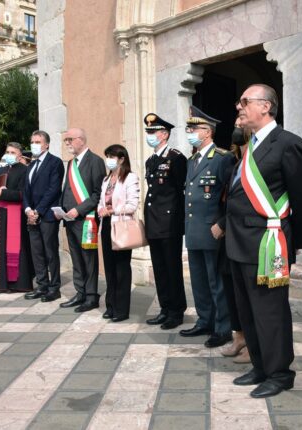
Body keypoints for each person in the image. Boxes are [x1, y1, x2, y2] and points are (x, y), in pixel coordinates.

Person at [227, 83, 302, 399]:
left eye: (244, 101)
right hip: (239, 243)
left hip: (268, 244)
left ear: (266, 106)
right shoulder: (250, 146)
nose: (239, 106)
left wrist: (293, 243)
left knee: (270, 311)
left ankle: (280, 373)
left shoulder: (288, 143)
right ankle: (261, 365)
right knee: (248, 310)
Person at [179, 106, 236, 348]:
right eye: (189, 128)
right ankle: (205, 321)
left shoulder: (223, 159)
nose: (190, 132)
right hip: (193, 230)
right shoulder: (192, 160)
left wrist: (222, 224)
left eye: (194, 129)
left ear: (208, 132)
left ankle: (223, 328)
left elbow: (232, 195)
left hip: (213, 231)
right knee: (199, 281)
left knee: (216, 282)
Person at [143, 113, 188, 330]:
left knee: (172, 268)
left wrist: (178, 221)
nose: (149, 135)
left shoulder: (176, 158)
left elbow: (180, 193)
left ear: (164, 134)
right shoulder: (151, 160)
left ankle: (176, 311)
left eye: (153, 132)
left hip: (169, 223)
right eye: (148, 132)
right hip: (154, 223)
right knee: (160, 268)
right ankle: (165, 308)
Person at [58, 128, 106, 312]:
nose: (67, 143)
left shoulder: (96, 161)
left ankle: (92, 296)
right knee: (76, 258)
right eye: (65, 140)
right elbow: (67, 189)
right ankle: (81, 292)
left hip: (87, 220)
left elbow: (97, 194)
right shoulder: (71, 163)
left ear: (81, 139)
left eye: (69, 139)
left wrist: (78, 210)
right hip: (70, 219)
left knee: (88, 258)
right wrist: (61, 209)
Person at [97, 144, 139, 322]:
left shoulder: (130, 178)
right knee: (109, 267)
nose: (109, 160)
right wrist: (101, 209)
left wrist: (113, 210)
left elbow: (132, 204)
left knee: (121, 268)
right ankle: (111, 305)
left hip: (121, 225)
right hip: (105, 225)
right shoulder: (106, 180)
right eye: (107, 156)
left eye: (112, 157)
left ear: (121, 159)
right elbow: (101, 201)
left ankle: (122, 309)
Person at [219, 115, 249, 363]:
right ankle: (239, 336)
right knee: (231, 288)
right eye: (236, 122)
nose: (237, 125)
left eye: (242, 121)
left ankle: (253, 343)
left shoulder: (257, 158)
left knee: (250, 294)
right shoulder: (231, 161)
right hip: (228, 235)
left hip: (246, 234)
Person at [23, 130, 65, 302]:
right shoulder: (31, 165)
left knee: (50, 252)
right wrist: (28, 210)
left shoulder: (55, 162)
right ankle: (42, 285)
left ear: (46, 144)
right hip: (32, 216)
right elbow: (25, 190)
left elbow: (53, 189)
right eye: (32, 141)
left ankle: (54, 288)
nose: (34, 145)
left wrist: (38, 211)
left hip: (46, 215)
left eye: (38, 141)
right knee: (37, 253)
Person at [0, 143, 33, 293]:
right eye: (7, 152)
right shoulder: (1, 170)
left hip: (16, 215)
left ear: (20, 155)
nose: (9, 154)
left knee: (17, 249)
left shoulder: (25, 170)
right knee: (0, 250)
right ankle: (1, 284)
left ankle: (18, 284)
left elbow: (23, 194)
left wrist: (4, 194)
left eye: (13, 152)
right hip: (1, 215)